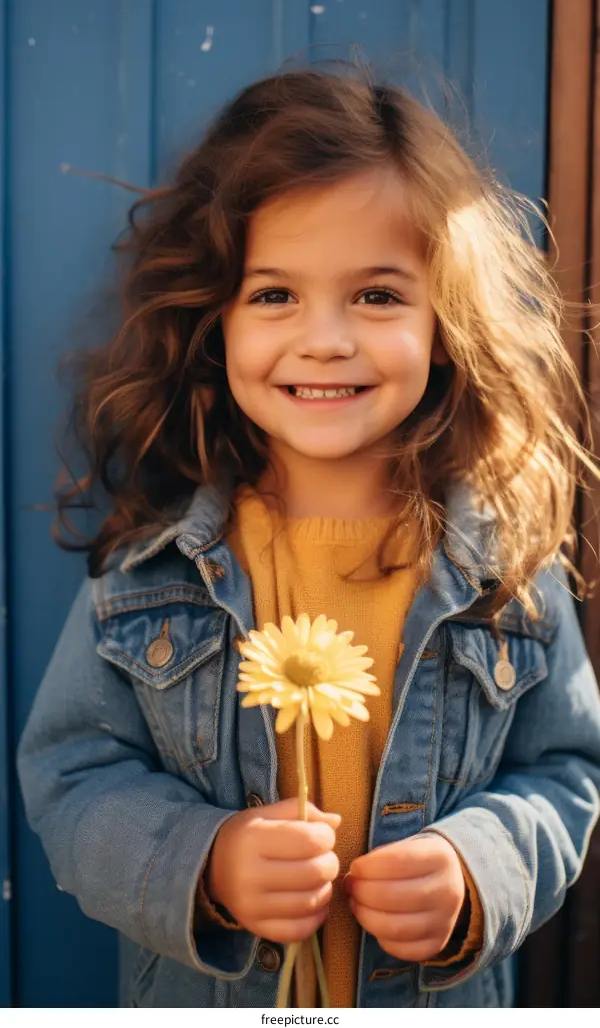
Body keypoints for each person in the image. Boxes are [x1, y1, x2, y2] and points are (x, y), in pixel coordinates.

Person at [17, 67, 600, 1010]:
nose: (325, 338)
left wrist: (477, 867)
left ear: (444, 321)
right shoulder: (150, 572)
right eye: (275, 294)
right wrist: (203, 861)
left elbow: (565, 770)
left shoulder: (507, 570)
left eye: (376, 295)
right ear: (217, 319)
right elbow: (71, 772)